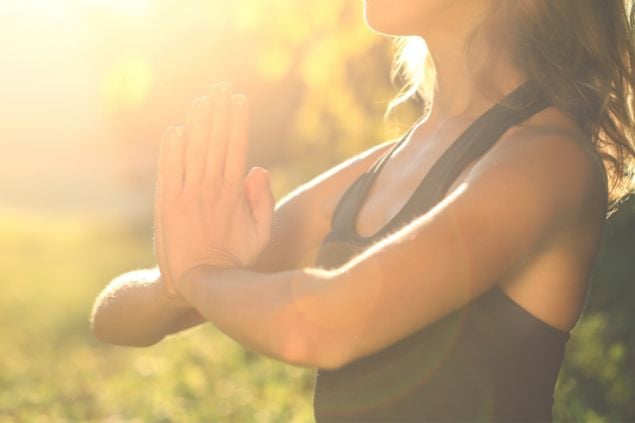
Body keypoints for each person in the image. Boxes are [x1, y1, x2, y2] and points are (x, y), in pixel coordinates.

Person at [91, 0, 635, 421]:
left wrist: (200, 274)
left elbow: (319, 325)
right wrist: (178, 282)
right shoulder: (385, 166)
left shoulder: (548, 162)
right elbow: (115, 319)